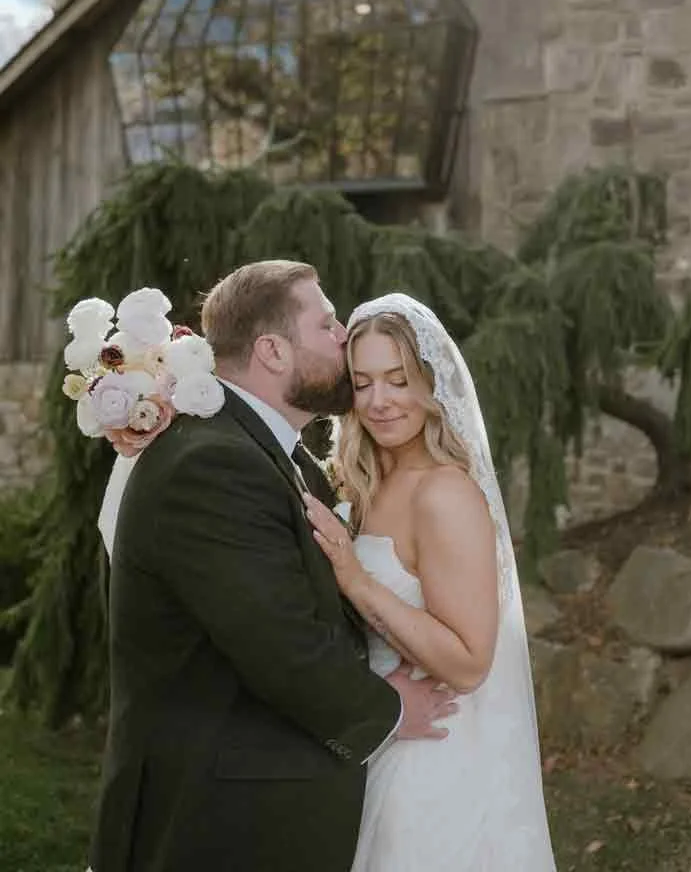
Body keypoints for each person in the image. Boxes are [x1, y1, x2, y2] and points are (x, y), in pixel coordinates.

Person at [88, 262, 457, 872]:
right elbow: (278, 640)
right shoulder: (211, 464)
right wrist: (388, 711)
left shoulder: (272, 454)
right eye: (327, 324)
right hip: (217, 822)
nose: (344, 335)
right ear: (272, 351)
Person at [304, 292, 558, 871]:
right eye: (363, 383)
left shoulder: (444, 493)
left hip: (436, 760)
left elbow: (468, 663)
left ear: (431, 384)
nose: (380, 401)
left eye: (399, 380)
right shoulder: (365, 482)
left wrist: (357, 581)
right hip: (383, 735)